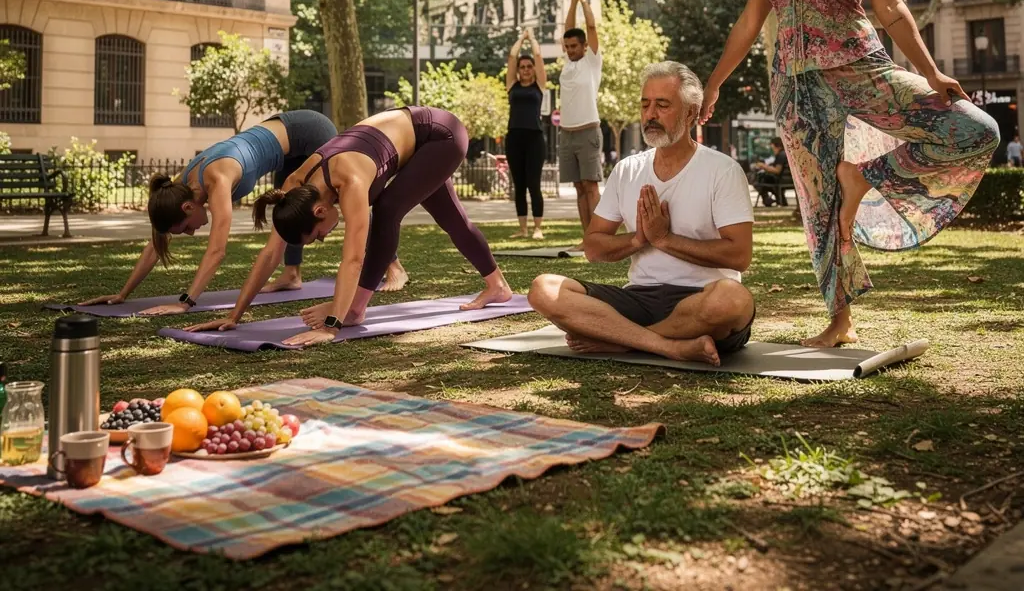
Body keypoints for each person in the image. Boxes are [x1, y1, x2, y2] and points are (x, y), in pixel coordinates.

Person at [699, 0, 999, 348]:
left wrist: (930, 73)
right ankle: (840, 320)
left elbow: (890, 7)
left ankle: (863, 176)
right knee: (819, 208)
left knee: (975, 129)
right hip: (795, 90)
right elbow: (750, 23)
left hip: (859, 71)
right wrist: (714, 83)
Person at [528, 62, 755, 366]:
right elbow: (594, 247)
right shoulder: (627, 170)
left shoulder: (722, 170)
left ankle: (625, 341)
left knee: (734, 299)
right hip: (639, 298)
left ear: (690, 113)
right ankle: (666, 345)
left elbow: (739, 256)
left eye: (662, 105)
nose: (650, 114)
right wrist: (638, 240)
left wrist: (665, 240)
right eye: (645, 104)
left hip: (702, 299)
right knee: (544, 289)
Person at [76, 110, 409, 316]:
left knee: (346, 200)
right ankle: (292, 276)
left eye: (186, 228)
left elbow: (217, 249)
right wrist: (123, 293)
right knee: (289, 215)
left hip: (309, 130)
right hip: (286, 150)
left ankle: (391, 264)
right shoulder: (178, 189)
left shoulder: (217, 179)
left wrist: (186, 302)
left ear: (188, 207)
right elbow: (157, 239)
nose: (191, 233)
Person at [241, 106, 513, 348]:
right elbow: (271, 251)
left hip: (442, 136)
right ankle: (497, 285)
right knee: (454, 221)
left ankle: (356, 309)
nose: (323, 238)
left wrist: (332, 323)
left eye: (317, 235)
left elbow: (354, 259)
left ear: (320, 211)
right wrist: (235, 315)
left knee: (387, 210)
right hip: (419, 144)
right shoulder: (294, 188)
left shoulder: (350, 181)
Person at [559, 0, 603, 243]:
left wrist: (583, 0)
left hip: (588, 131)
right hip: (566, 133)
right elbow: (567, 28)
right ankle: (587, 237)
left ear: (585, 46)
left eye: (574, 46)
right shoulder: (568, 62)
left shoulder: (592, 60)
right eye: (567, 46)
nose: (570, 49)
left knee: (590, 186)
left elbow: (591, 27)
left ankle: (599, 237)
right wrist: (571, 2)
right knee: (578, 187)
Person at [505, 28, 548, 239]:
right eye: (522, 67)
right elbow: (512, 57)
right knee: (519, 185)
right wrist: (520, 39)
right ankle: (523, 228)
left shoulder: (539, 86)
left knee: (534, 183)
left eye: (529, 66)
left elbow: (538, 56)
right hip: (514, 137)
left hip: (534, 138)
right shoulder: (511, 85)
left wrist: (531, 39)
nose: (525, 69)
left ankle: (537, 227)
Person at [751, 137, 789, 206]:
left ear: (774, 145)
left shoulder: (781, 155)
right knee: (762, 180)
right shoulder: (784, 154)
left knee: (758, 180)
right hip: (784, 179)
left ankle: (768, 200)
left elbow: (777, 170)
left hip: (781, 180)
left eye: (771, 145)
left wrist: (763, 166)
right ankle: (772, 200)